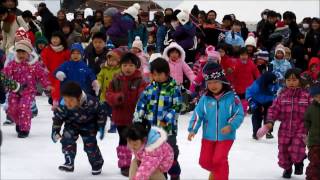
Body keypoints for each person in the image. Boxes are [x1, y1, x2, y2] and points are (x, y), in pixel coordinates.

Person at [188, 62, 244, 180]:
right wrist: (193, 129)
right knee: (204, 161)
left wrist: (231, 125)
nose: (213, 85)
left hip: (226, 137)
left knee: (219, 160)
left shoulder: (232, 97)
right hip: (208, 135)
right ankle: (216, 172)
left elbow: (239, 113)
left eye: (216, 82)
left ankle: (220, 176)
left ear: (222, 81)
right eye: (209, 83)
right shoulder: (205, 98)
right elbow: (198, 114)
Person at [257, 68, 311, 178]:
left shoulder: (306, 96)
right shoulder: (282, 96)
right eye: (289, 80)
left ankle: (298, 161)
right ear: (285, 81)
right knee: (283, 153)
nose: (291, 83)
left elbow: (312, 110)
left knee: (296, 150)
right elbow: (273, 109)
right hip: (284, 129)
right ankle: (287, 168)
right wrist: (269, 123)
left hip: (301, 128)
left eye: (294, 80)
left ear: (299, 81)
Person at [134, 57, 182, 180]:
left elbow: (177, 107)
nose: (157, 77)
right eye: (154, 74)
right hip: (152, 131)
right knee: (156, 156)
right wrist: (138, 119)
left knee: (170, 155)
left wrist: (166, 119)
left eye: (160, 74)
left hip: (168, 131)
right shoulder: (149, 88)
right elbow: (141, 104)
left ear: (167, 73)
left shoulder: (174, 89)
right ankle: (162, 176)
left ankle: (175, 173)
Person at [106, 52, 148, 177]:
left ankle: (141, 162)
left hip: (136, 118)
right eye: (124, 65)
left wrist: (142, 95)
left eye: (130, 65)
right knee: (124, 141)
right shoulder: (115, 80)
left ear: (136, 67)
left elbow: (145, 95)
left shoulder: (141, 81)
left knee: (139, 141)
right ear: (120, 66)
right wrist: (116, 97)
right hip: (121, 118)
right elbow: (108, 94)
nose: (127, 68)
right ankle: (125, 164)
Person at [51, 82, 107, 175]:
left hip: (89, 125)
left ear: (79, 97)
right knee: (67, 140)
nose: (68, 103)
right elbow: (58, 117)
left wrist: (101, 126)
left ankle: (97, 163)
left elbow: (101, 112)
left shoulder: (91, 102)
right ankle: (69, 162)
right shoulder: (63, 104)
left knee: (90, 145)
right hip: (72, 124)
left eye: (71, 100)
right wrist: (55, 130)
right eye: (65, 99)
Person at [3, 40, 51, 138]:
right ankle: (19, 122)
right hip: (14, 91)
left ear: (28, 52)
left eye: (23, 52)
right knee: (12, 109)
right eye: (19, 52)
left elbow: (42, 76)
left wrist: (47, 85)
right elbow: (5, 74)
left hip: (28, 92)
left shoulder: (34, 65)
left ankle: (24, 129)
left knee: (23, 108)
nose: (21, 55)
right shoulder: (13, 64)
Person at [41, 31, 70, 109]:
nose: (54, 40)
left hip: (61, 73)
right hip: (50, 73)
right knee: (53, 89)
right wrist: (44, 68)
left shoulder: (65, 51)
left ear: (61, 39)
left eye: (57, 38)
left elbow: (68, 61)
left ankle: (56, 102)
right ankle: (55, 100)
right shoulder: (47, 49)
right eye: (53, 38)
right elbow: (43, 59)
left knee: (57, 88)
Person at [246, 72, 278, 139]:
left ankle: (268, 131)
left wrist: (275, 100)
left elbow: (276, 92)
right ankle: (256, 132)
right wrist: (251, 102)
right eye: (271, 84)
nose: (273, 85)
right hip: (256, 101)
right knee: (256, 116)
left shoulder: (274, 83)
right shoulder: (257, 86)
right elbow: (249, 92)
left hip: (269, 101)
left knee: (270, 115)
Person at [97, 49, 122, 133]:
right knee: (102, 112)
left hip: (114, 97)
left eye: (114, 60)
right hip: (104, 96)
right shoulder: (104, 69)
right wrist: (98, 83)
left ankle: (113, 126)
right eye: (110, 60)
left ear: (118, 61)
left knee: (113, 113)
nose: (111, 62)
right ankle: (101, 126)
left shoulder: (119, 70)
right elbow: (100, 77)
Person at [304, 83, 320, 180]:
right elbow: (306, 121)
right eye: (316, 96)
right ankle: (312, 177)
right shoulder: (311, 108)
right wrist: (305, 132)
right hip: (315, 140)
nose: (318, 98)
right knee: (315, 161)